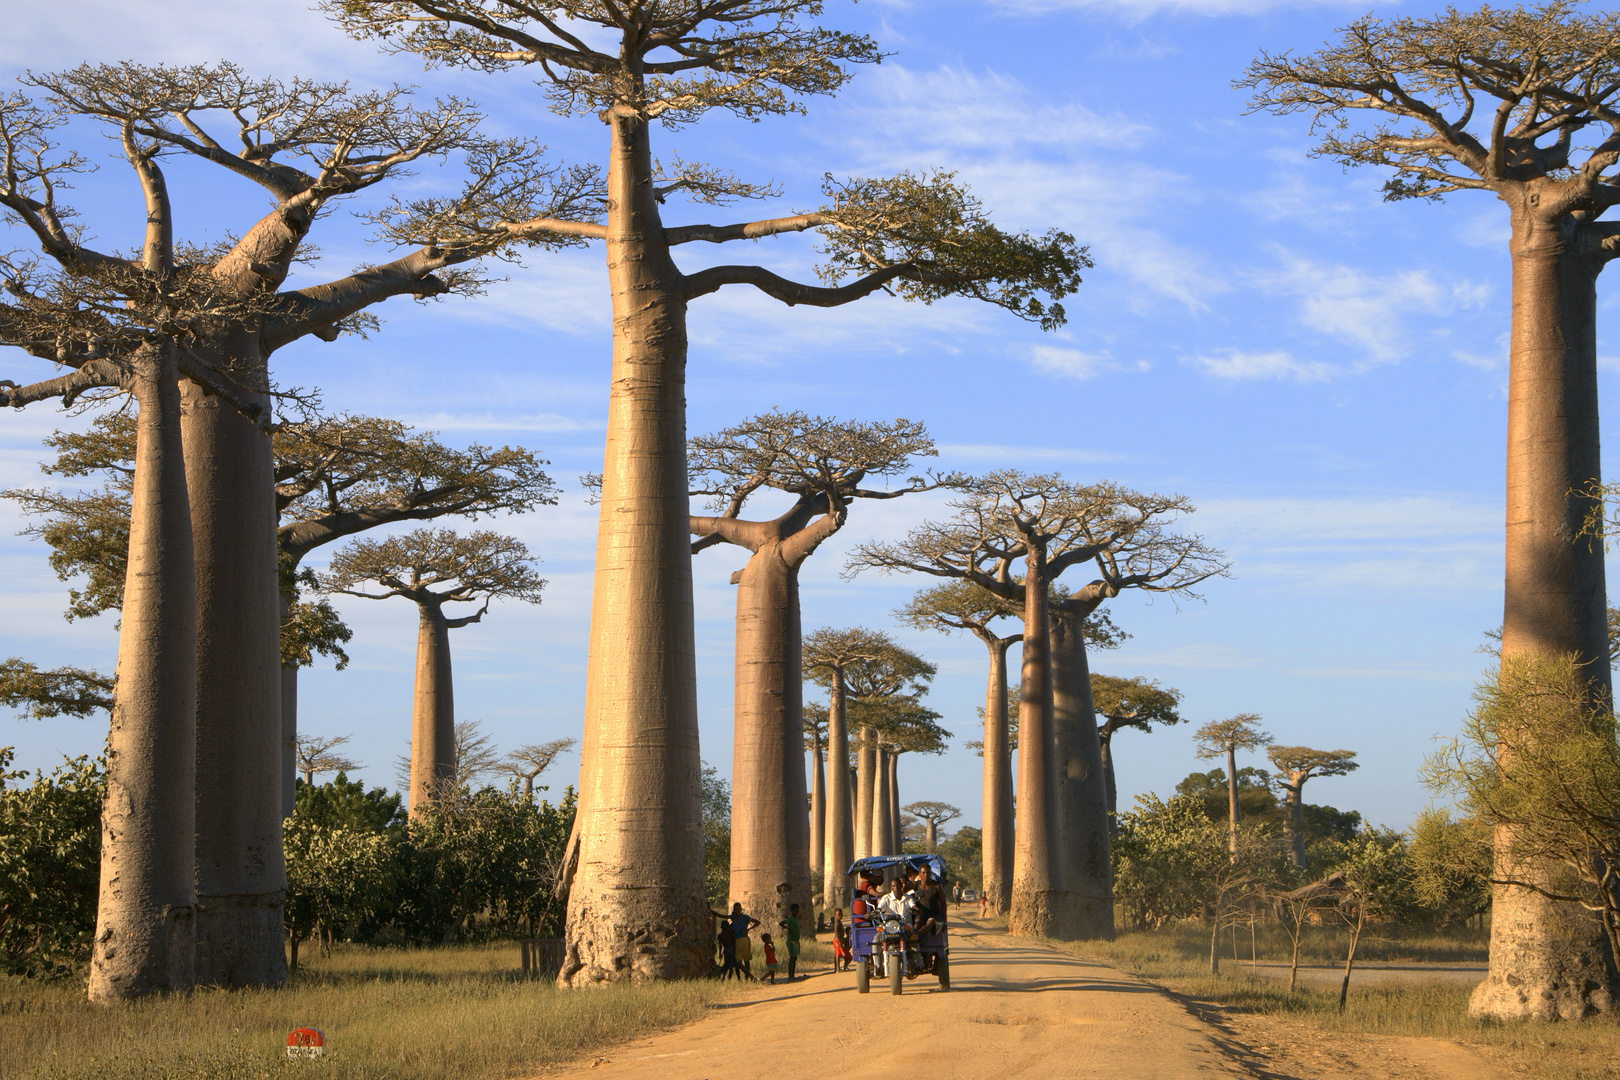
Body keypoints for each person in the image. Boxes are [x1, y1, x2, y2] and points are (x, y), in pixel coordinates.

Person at [911, 863, 948, 936]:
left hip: (934, 915)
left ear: (930, 874)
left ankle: (916, 935)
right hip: (921, 914)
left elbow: (943, 903)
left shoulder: (936, 886)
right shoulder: (915, 885)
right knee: (916, 923)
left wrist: (944, 921)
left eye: (928, 873)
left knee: (930, 923)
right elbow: (902, 890)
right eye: (923, 873)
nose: (926, 875)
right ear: (919, 874)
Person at [778, 903, 803, 981]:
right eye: (795, 911)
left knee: (794, 958)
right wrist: (787, 928)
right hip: (791, 940)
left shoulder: (796, 919)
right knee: (792, 958)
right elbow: (781, 923)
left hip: (796, 940)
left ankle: (792, 975)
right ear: (791, 911)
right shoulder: (791, 918)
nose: (796, 912)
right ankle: (790, 976)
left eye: (797, 911)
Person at [830, 909, 850, 973]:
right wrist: (838, 940)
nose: (840, 916)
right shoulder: (836, 922)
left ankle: (837, 968)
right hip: (837, 939)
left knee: (837, 954)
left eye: (841, 915)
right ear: (835, 915)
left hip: (840, 939)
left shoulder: (839, 922)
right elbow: (836, 932)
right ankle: (837, 968)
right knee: (837, 954)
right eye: (838, 915)